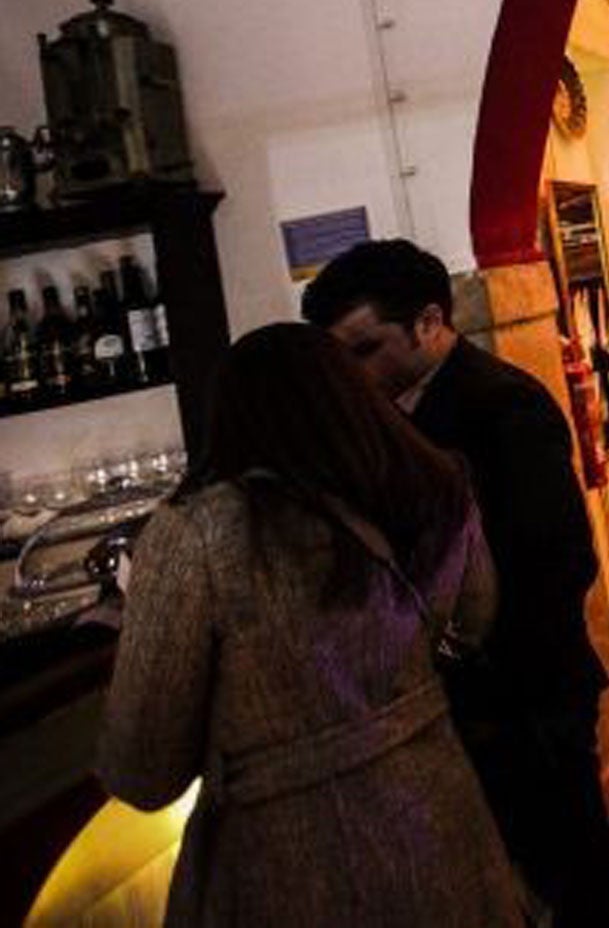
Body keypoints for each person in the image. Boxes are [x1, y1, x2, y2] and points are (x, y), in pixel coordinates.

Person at [99, 323, 523, 926]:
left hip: (288, 860)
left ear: (230, 416)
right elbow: (475, 619)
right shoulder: (432, 487)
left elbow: (143, 770)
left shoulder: (197, 534)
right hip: (438, 820)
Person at [302, 239, 609, 927]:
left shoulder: (500, 407)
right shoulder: (397, 411)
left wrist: (478, 666)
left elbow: (556, 560)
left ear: (429, 322)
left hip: (526, 698)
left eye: (365, 349)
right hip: (480, 701)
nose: (353, 374)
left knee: (575, 880)